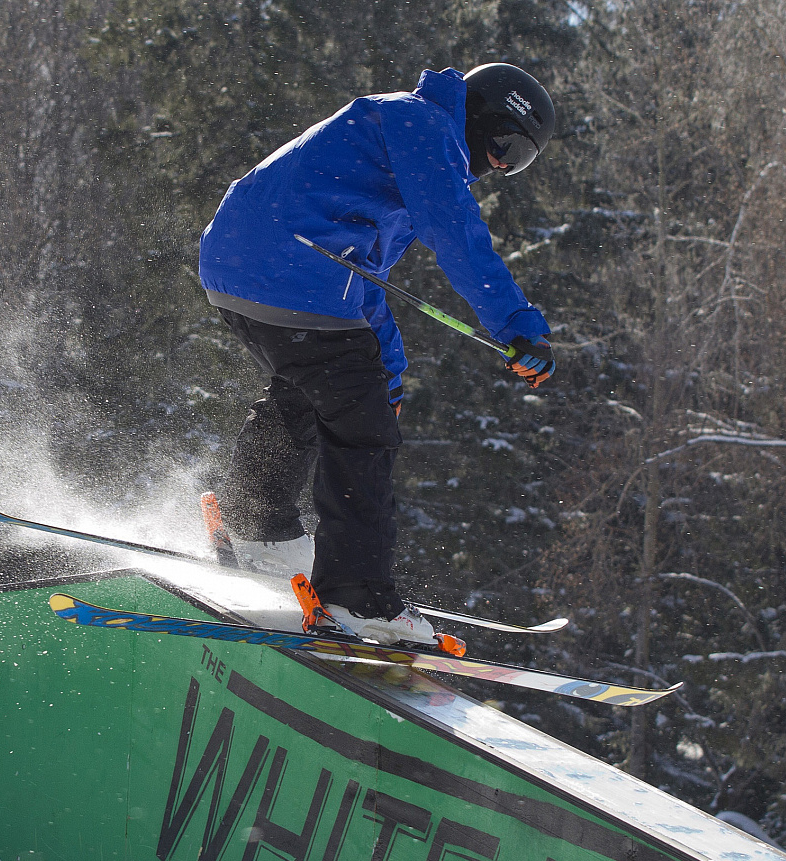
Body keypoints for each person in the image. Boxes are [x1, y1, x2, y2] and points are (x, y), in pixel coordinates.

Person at [198, 63, 557, 645]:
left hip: (241, 269)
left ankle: (252, 515)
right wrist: (517, 322)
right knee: (362, 430)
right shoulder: (424, 126)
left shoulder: (398, 125)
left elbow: (365, 277)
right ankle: (357, 598)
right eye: (504, 148)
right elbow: (458, 235)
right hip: (292, 267)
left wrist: (388, 375)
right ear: (482, 117)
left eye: (517, 162)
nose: (499, 167)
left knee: (318, 383)